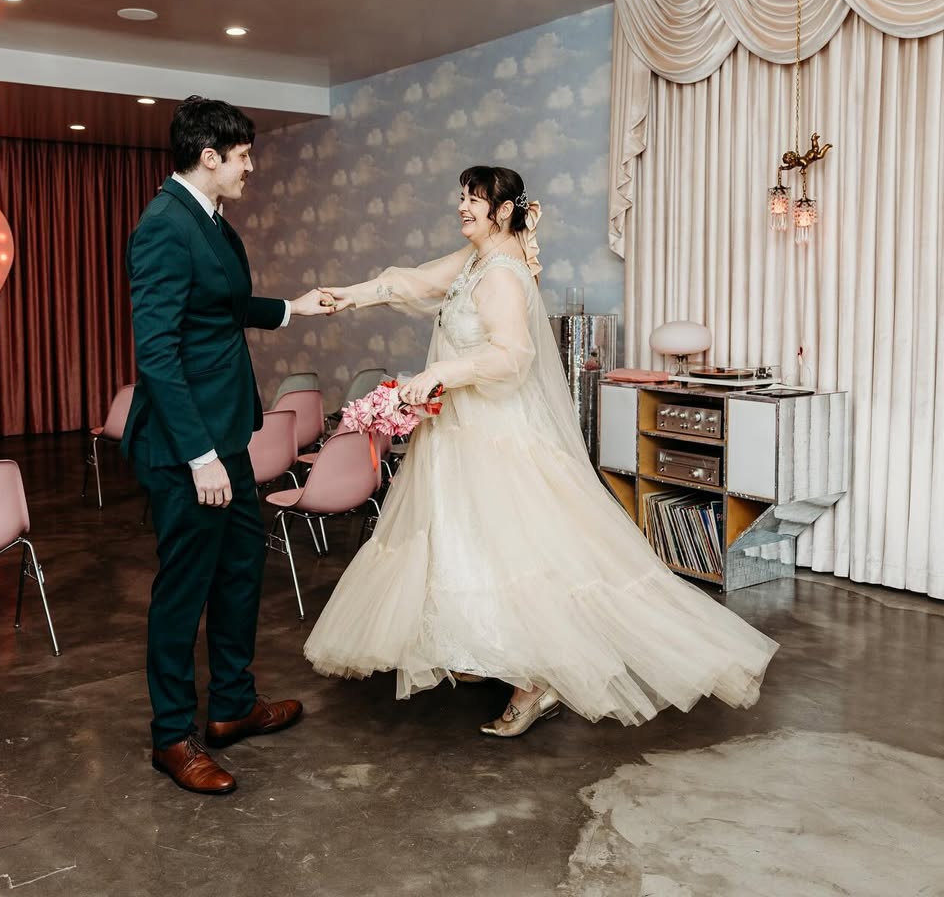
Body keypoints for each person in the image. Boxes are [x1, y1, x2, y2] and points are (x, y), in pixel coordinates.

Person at [304, 165, 778, 737]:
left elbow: (513, 357)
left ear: (503, 211)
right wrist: (345, 297)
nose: (462, 207)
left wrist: (440, 373)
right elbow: (414, 281)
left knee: (513, 551)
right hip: (456, 434)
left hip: (492, 435)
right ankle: (482, 644)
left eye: (473, 199)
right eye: (461, 197)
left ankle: (536, 683)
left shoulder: (503, 275)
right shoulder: (476, 260)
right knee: (466, 545)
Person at [123, 96, 333, 793]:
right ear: (208, 157)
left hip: (227, 435)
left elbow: (223, 305)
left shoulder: (211, 220)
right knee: (184, 590)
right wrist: (200, 456)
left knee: (242, 567)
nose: (251, 168)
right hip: (188, 448)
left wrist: (292, 308)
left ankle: (233, 707)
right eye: (243, 157)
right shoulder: (163, 226)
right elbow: (157, 353)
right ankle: (171, 737)